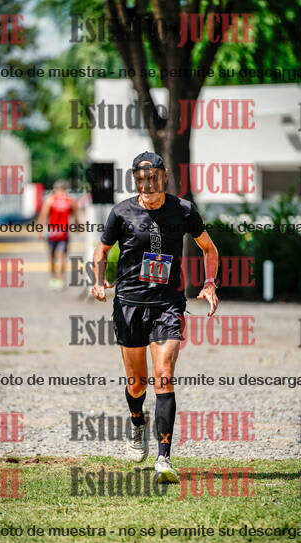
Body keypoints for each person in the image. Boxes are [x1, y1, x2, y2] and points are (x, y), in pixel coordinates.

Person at [92, 152, 219, 483]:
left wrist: (209, 282)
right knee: (137, 383)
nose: (147, 185)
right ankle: (137, 422)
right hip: (129, 304)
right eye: (141, 179)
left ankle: (164, 458)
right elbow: (102, 250)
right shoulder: (121, 212)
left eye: (153, 178)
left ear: (164, 177)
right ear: (135, 181)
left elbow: (209, 248)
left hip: (168, 304)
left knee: (164, 375)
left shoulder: (183, 210)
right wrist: (98, 281)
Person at [37, 180, 79, 289]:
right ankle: (60, 279)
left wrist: (40, 230)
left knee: (52, 256)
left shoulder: (50, 200)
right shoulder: (70, 200)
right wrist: (77, 227)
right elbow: (75, 215)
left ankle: (54, 279)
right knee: (61, 257)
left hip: (53, 232)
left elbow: (43, 215)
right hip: (63, 233)